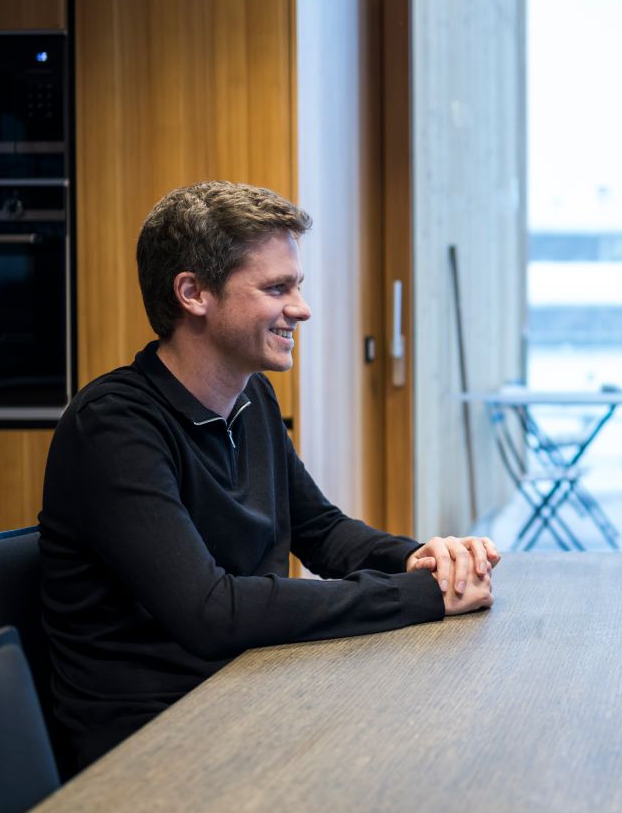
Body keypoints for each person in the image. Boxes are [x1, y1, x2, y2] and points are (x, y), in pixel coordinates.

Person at [40, 181, 496, 772]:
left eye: (297, 286)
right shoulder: (114, 426)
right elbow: (211, 612)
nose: (301, 308)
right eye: (277, 288)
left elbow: (324, 532)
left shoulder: (250, 396)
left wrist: (424, 561)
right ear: (193, 293)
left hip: (250, 697)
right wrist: (417, 596)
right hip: (150, 750)